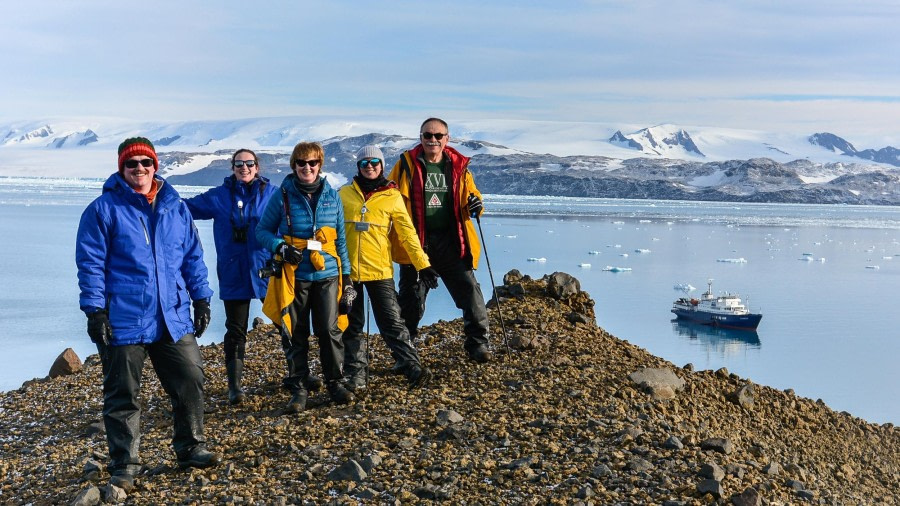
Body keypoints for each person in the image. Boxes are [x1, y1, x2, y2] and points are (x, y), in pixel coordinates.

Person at [75, 137, 220, 492]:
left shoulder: (175, 207)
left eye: (145, 163)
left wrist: (201, 298)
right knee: (123, 393)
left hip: (172, 315)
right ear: (121, 168)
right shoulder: (103, 209)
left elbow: (191, 257)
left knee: (190, 378)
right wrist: (95, 311)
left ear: (155, 166)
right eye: (131, 164)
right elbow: (90, 263)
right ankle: (125, 463)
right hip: (124, 317)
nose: (139, 169)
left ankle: (191, 447)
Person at [183, 149, 312, 405]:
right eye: (239, 164)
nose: (244, 168)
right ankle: (235, 387)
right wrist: (157, 198)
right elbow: (186, 209)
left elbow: (294, 219)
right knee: (236, 328)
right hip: (234, 272)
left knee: (285, 322)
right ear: (232, 167)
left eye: (249, 163)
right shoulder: (219, 196)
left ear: (257, 167)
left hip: (267, 269)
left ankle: (298, 375)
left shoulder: (273, 194)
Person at [256, 141, 354, 413]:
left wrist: (348, 279)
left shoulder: (332, 196)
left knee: (329, 330)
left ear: (320, 165)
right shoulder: (283, 195)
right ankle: (298, 387)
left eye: (312, 163)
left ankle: (335, 382)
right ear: (294, 165)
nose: (307, 168)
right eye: (302, 163)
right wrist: (280, 247)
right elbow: (262, 231)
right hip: (294, 276)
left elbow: (341, 241)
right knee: (295, 331)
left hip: (328, 274)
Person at [388, 118, 492, 363]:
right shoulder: (405, 165)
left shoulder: (459, 165)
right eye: (427, 135)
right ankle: (406, 352)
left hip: (452, 241)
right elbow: (389, 194)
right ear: (421, 137)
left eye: (438, 136)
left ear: (447, 138)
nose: (432, 140)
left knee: (470, 292)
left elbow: (471, 195)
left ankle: (478, 345)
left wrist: (477, 205)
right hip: (416, 244)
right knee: (411, 300)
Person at [339, 145, 439, 390]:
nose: (370, 166)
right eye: (364, 163)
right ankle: (356, 375)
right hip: (348, 273)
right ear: (358, 167)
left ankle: (412, 367)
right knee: (352, 325)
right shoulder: (343, 194)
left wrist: (423, 265)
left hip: (380, 271)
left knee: (392, 322)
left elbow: (407, 234)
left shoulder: (392, 196)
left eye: (375, 162)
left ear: (382, 165)